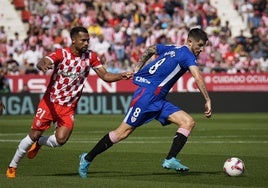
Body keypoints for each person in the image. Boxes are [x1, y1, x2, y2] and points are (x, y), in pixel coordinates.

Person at [78, 28, 212, 178]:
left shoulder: (172, 48)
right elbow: (198, 78)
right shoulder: (187, 55)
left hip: (158, 99)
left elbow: (151, 49)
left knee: (188, 122)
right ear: (189, 41)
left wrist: (138, 67)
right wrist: (207, 99)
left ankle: (170, 159)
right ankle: (87, 158)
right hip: (146, 97)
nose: (201, 49)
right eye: (199, 45)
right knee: (121, 133)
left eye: (203, 46)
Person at [6, 26, 133, 178]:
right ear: (74, 40)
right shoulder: (62, 53)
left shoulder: (91, 56)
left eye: (88, 40)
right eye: (83, 40)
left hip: (68, 107)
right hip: (50, 102)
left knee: (61, 140)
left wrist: (121, 75)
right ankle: (12, 166)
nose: (86, 43)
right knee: (33, 134)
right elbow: (44, 60)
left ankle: (40, 142)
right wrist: (42, 65)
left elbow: (105, 76)